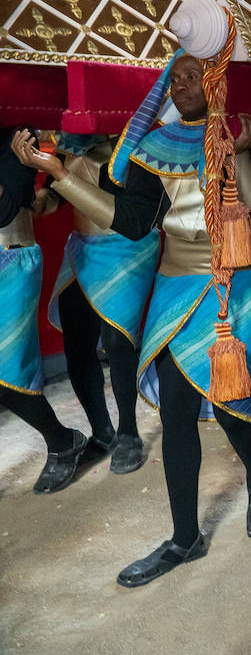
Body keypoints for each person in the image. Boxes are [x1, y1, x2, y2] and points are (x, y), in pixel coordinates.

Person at [16, 52, 251, 586]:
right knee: (178, 413)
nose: (182, 86)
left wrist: (243, 156)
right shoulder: (153, 149)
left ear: (218, 83)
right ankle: (184, 537)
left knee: (236, 409)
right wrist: (59, 175)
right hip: (174, 286)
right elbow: (135, 223)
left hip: (237, 285)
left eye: (194, 77)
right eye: (176, 79)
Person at [45, 133, 160, 475]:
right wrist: (39, 200)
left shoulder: (140, 140)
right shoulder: (65, 138)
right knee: (76, 338)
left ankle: (128, 434)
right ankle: (102, 430)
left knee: (117, 340)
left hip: (128, 245)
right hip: (83, 245)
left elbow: (130, 211)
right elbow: (56, 196)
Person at [1, 127, 92, 493]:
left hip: (11, 260)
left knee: (7, 374)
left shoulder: (17, 136)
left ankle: (62, 441)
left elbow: (6, 209)